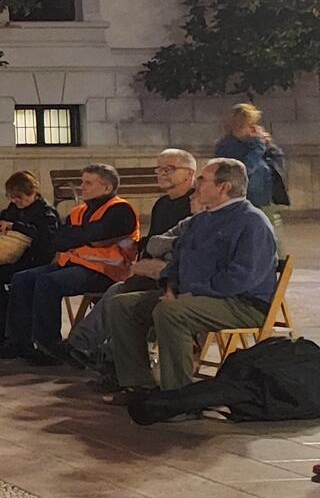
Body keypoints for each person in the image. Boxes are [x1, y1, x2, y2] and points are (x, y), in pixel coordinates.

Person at [105, 158, 280, 396]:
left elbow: (240, 277)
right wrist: (170, 288)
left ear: (224, 187)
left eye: (202, 179)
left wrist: (190, 293)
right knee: (123, 305)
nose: (196, 185)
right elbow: (179, 260)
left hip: (242, 302)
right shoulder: (202, 219)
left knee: (171, 312)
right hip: (197, 295)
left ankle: (177, 394)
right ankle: (138, 385)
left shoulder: (252, 222)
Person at [65, 150, 198, 368]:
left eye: (169, 169)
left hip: (177, 276)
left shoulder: (195, 204)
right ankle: (88, 349)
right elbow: (153, 240)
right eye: (159, 169)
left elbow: (186, 245)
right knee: (118, 291)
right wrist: (139, 259)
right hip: (154, 271)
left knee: (123, 298)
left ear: (189, 174)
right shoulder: (163, 204)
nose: (161, 173)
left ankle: (100, 354)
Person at [0, 164, 141, 364]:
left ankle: (49, 348)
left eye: (88, 183)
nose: (82, 187)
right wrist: (85, 237)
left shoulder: (120, 209)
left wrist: (82, 236)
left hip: (107, 271)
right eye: (83, 182)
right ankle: (19, 343)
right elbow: (60, 240)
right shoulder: (80, 211)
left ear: (107, 188)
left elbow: (94, 235)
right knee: (22, 279)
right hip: (74, 263)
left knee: (48, 283)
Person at [0, 172, 61, 351]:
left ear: (33, 193)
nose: (16, 201)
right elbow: (2, 217)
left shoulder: (46, 212)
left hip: (37, 260)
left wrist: (17, 226)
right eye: (12, 197)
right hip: (17, 257)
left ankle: (15, 336)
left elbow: (46, 240)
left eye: (20, 198)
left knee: (19, 280)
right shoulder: (14, 208)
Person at [214, 102, 289, 230]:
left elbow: (277, 163)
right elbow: (244, 170)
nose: (253, 129)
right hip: (248, 201)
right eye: (249, 125)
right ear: (237, 127)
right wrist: (258, 147)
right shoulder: (228, 147)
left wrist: (269, 145)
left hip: (266, 198)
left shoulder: (253, 143)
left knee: (273, 235)